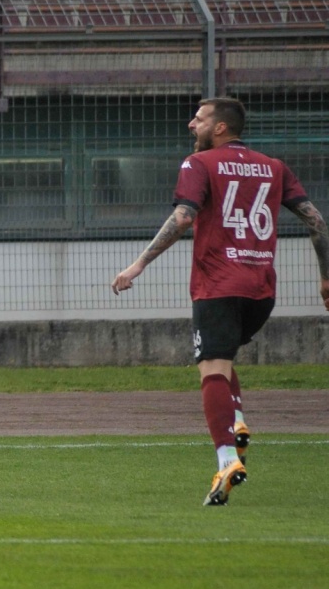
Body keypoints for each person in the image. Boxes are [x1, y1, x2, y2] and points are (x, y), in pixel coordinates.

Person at [111, 97, 329, 506]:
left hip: (217, 285)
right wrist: (326, 277)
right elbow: (316, 222)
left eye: (199, 118)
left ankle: (227, 458)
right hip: (261, 291)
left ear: (221, 128)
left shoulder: (199, 164)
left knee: (211, 368)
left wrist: (138, 265)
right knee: (224, 358)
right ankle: (240, 422)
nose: (191, 124)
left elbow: (183, 218)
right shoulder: (274, 167)